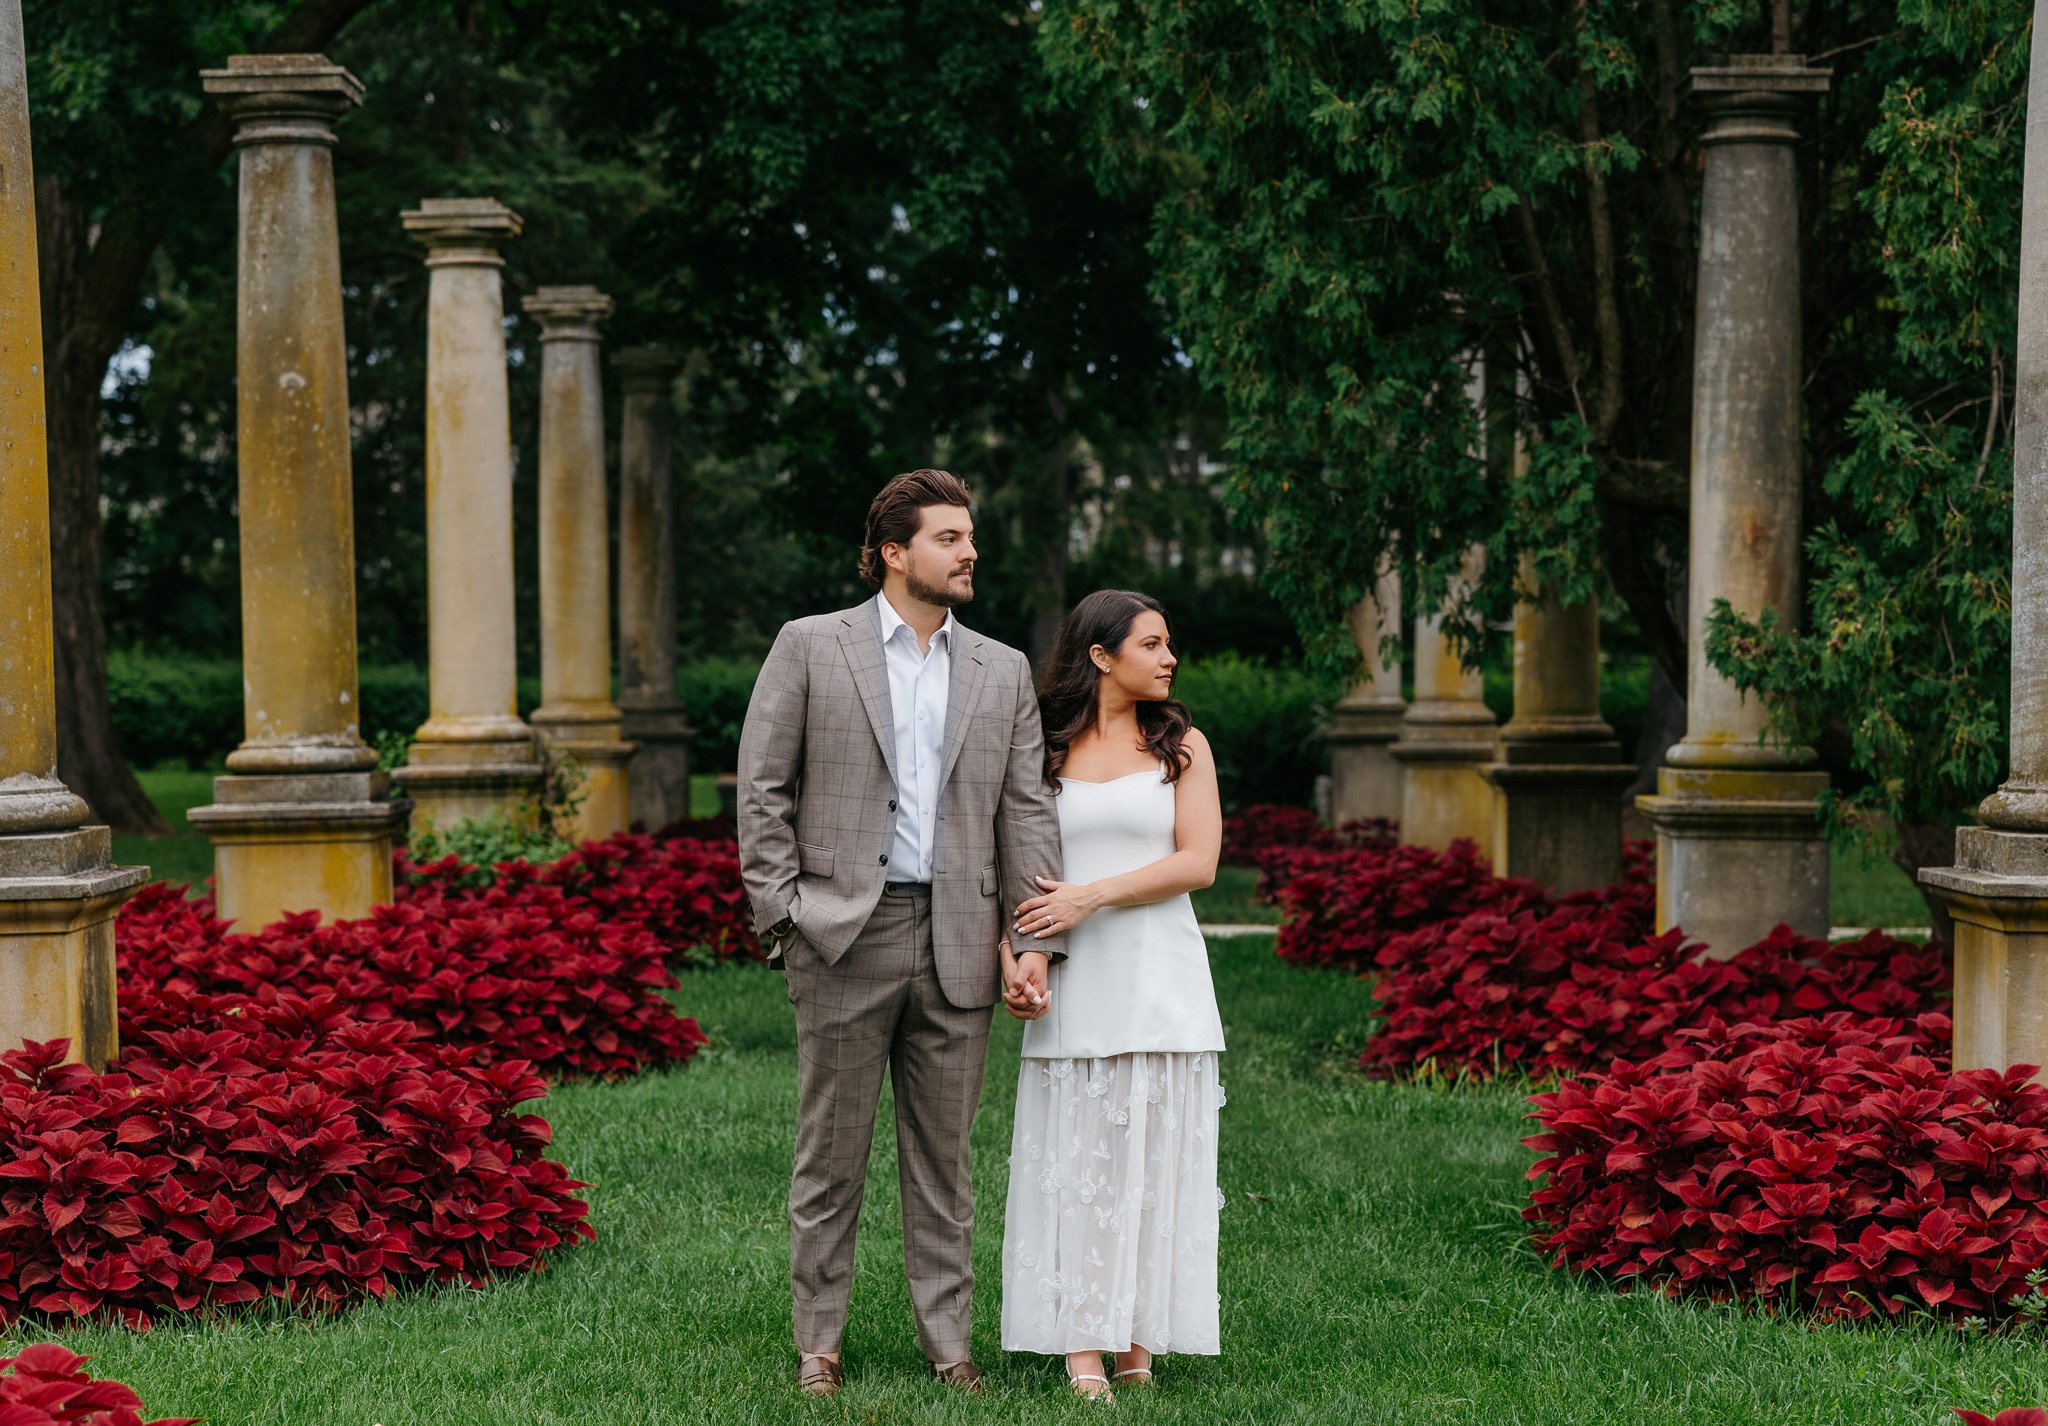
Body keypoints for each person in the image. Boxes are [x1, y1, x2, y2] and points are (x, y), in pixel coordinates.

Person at [736, 468, 1067, 1398]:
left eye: (970, 537)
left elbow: (1025, 812)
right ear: (894, 553)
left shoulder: (1001, 668)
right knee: (830, 1157)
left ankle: (950, 1347)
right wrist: (786, 916)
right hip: (842, 933)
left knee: (945, 1165)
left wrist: (1033, 939)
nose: (970, 553)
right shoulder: (811, 646)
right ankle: (819, 1345)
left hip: (961, 937)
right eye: (949, 538)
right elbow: (762, 790)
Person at [999, 588, 1226, 1401]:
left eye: (1169, 643)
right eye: (1151, 644)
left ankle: (1136, 1342)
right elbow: (1009, 864)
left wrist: (1090, 897)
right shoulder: (1041, 750)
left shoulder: (1182, 746)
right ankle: (1081, 1347)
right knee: (1080, 1167)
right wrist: (1014, 957)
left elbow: (1198, 862)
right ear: (1100, 656)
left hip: (1163, 976)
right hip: (1076, 980)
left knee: (1154, 1171)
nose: (1170, 658)